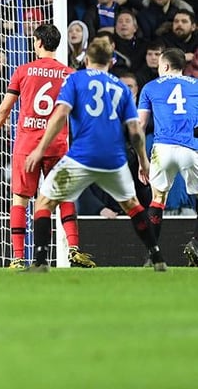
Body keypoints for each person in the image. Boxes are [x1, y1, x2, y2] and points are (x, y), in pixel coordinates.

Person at [24, 38, 166, 272]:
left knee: (44, 201)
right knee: (132, 205)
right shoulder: (121, 87)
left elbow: (60, 115)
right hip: (114, 160)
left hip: (81, 157)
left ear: (87, 59)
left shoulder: (75, 78)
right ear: (110, 62)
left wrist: (40, 149)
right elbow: (135, 131)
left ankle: (40, 261)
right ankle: (157, 256)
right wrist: (143, 161)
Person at [0, 24, 96, 269]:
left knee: (20, 199)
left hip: (28, 145)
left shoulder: (23, 71)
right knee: (63, 197)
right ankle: (73, 248)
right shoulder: (70, 74)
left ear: (38, 42)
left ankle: (18, 258)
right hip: (58, 146)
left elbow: (4, 108)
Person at [136, 48, 198, 263]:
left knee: (158, 199)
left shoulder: (150, 87)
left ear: (164, 66)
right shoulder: (196, 85)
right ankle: (196, 244)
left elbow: (140, 126)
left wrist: (141, 160)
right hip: (191, 148)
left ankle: (153, 255)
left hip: (162, 149)